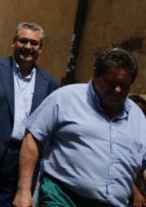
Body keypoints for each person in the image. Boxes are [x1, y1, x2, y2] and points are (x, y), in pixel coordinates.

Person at [13, 48, 146, 207]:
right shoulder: (65, 98)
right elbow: (32, 139)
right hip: (63, 197)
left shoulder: (137, 117)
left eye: (124, 85)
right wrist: (23, 191)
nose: (118, 90)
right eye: (111, 82)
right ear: (96, 76)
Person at [0, 22, 59, 206]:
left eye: (34, 43)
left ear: (40, 48)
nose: (28, 47)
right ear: (13, 43)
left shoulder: (49, 84)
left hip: (20, 165)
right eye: (23, 41)